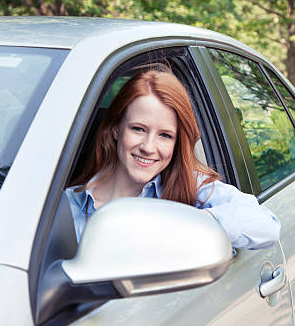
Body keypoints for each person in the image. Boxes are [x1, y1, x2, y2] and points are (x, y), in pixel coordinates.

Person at [65, 67, 280, 249]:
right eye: (138, 129)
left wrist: (189, 225)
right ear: (115, 130)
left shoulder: (191, 187)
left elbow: (266, 224)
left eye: (165, 135)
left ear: (177, 143)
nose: (149, 147)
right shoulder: (67, 203)